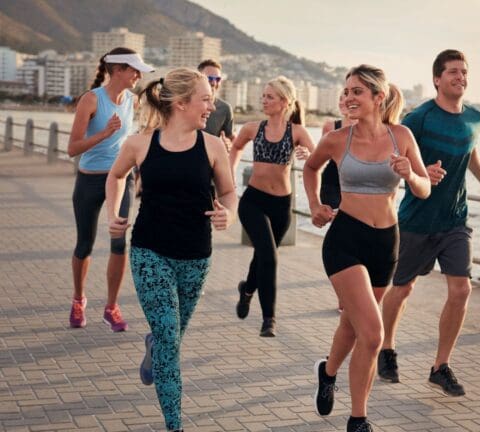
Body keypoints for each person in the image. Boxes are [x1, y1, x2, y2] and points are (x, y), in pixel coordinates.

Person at [105, 67, 237, 432]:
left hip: (196, 257)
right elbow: (115, 176)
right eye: (205, 99)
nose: (212, 106)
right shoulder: (140, 143)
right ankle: (174, 425)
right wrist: (115, 214)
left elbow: (227, 191)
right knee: (169, 336)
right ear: (181, 103)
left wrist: (229, 212)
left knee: (170, 338)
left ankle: (154, 346)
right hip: (150, 252)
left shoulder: (212, 146)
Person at [304, 65, 430, 432]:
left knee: (353, 324)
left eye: (357, 91)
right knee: (373, 334)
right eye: (346, 91)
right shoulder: (336, 139)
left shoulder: (401, 136)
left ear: (379, 97)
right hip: (345, 240)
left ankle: (327, 373)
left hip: (385, 244)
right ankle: (358, 419)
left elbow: (424, 188)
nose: (348, 98)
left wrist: (410, 174)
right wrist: (314, 205)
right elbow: (310, 169)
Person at [378, 49, 480, 397]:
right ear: (437, 78)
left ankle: (440, 366)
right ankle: (386, 349)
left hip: (454, 220)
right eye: (453, 72)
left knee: (462, 289)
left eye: (464, 72)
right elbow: (395, 157)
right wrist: (420, 172)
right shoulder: (419, 118)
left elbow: (470, 147)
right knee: (402, 289)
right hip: (417, 219)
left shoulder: (475, 117)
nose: (460, 77)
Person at [66, 47, 154, 331]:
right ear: (117, 70)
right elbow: (72, 148)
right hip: (90, 179)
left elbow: (139, 136)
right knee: (85, 244)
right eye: (133, 70)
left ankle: (111, 307)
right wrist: (104, 133)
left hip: (121, 178)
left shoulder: (132, 101)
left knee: (119, 242)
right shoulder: (91, 101)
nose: (138, 75)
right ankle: (79, 300)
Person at [229, 76, 314, 337]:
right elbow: (234, 151)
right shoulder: (253, 128)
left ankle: (247, 290)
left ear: (284, 102)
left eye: (270, 97)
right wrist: (230, 183)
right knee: (270, 257)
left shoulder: (297, 132)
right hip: (253, 201)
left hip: (281, 207)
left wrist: (307, 155)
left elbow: (317, 159)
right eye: (263, 96)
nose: (264, 100)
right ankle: (269, 320)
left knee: (263, 257)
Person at [320, 93, 357, 313]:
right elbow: (320, 157)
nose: (344, 101)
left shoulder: (366, 126)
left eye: (348, 96)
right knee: (342, 240)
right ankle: (344, 296)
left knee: (355, 240)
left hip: (355, 187)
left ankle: (352, 293)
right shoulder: (330, 126)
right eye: (341, 97)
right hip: (333, 185)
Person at [197, 59, 234, 152]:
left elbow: (231, 139)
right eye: (209, 78)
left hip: (209, 162)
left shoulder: (225, 109)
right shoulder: (186, 104)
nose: (214, 83)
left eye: (217, 79)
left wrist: (228, 144)